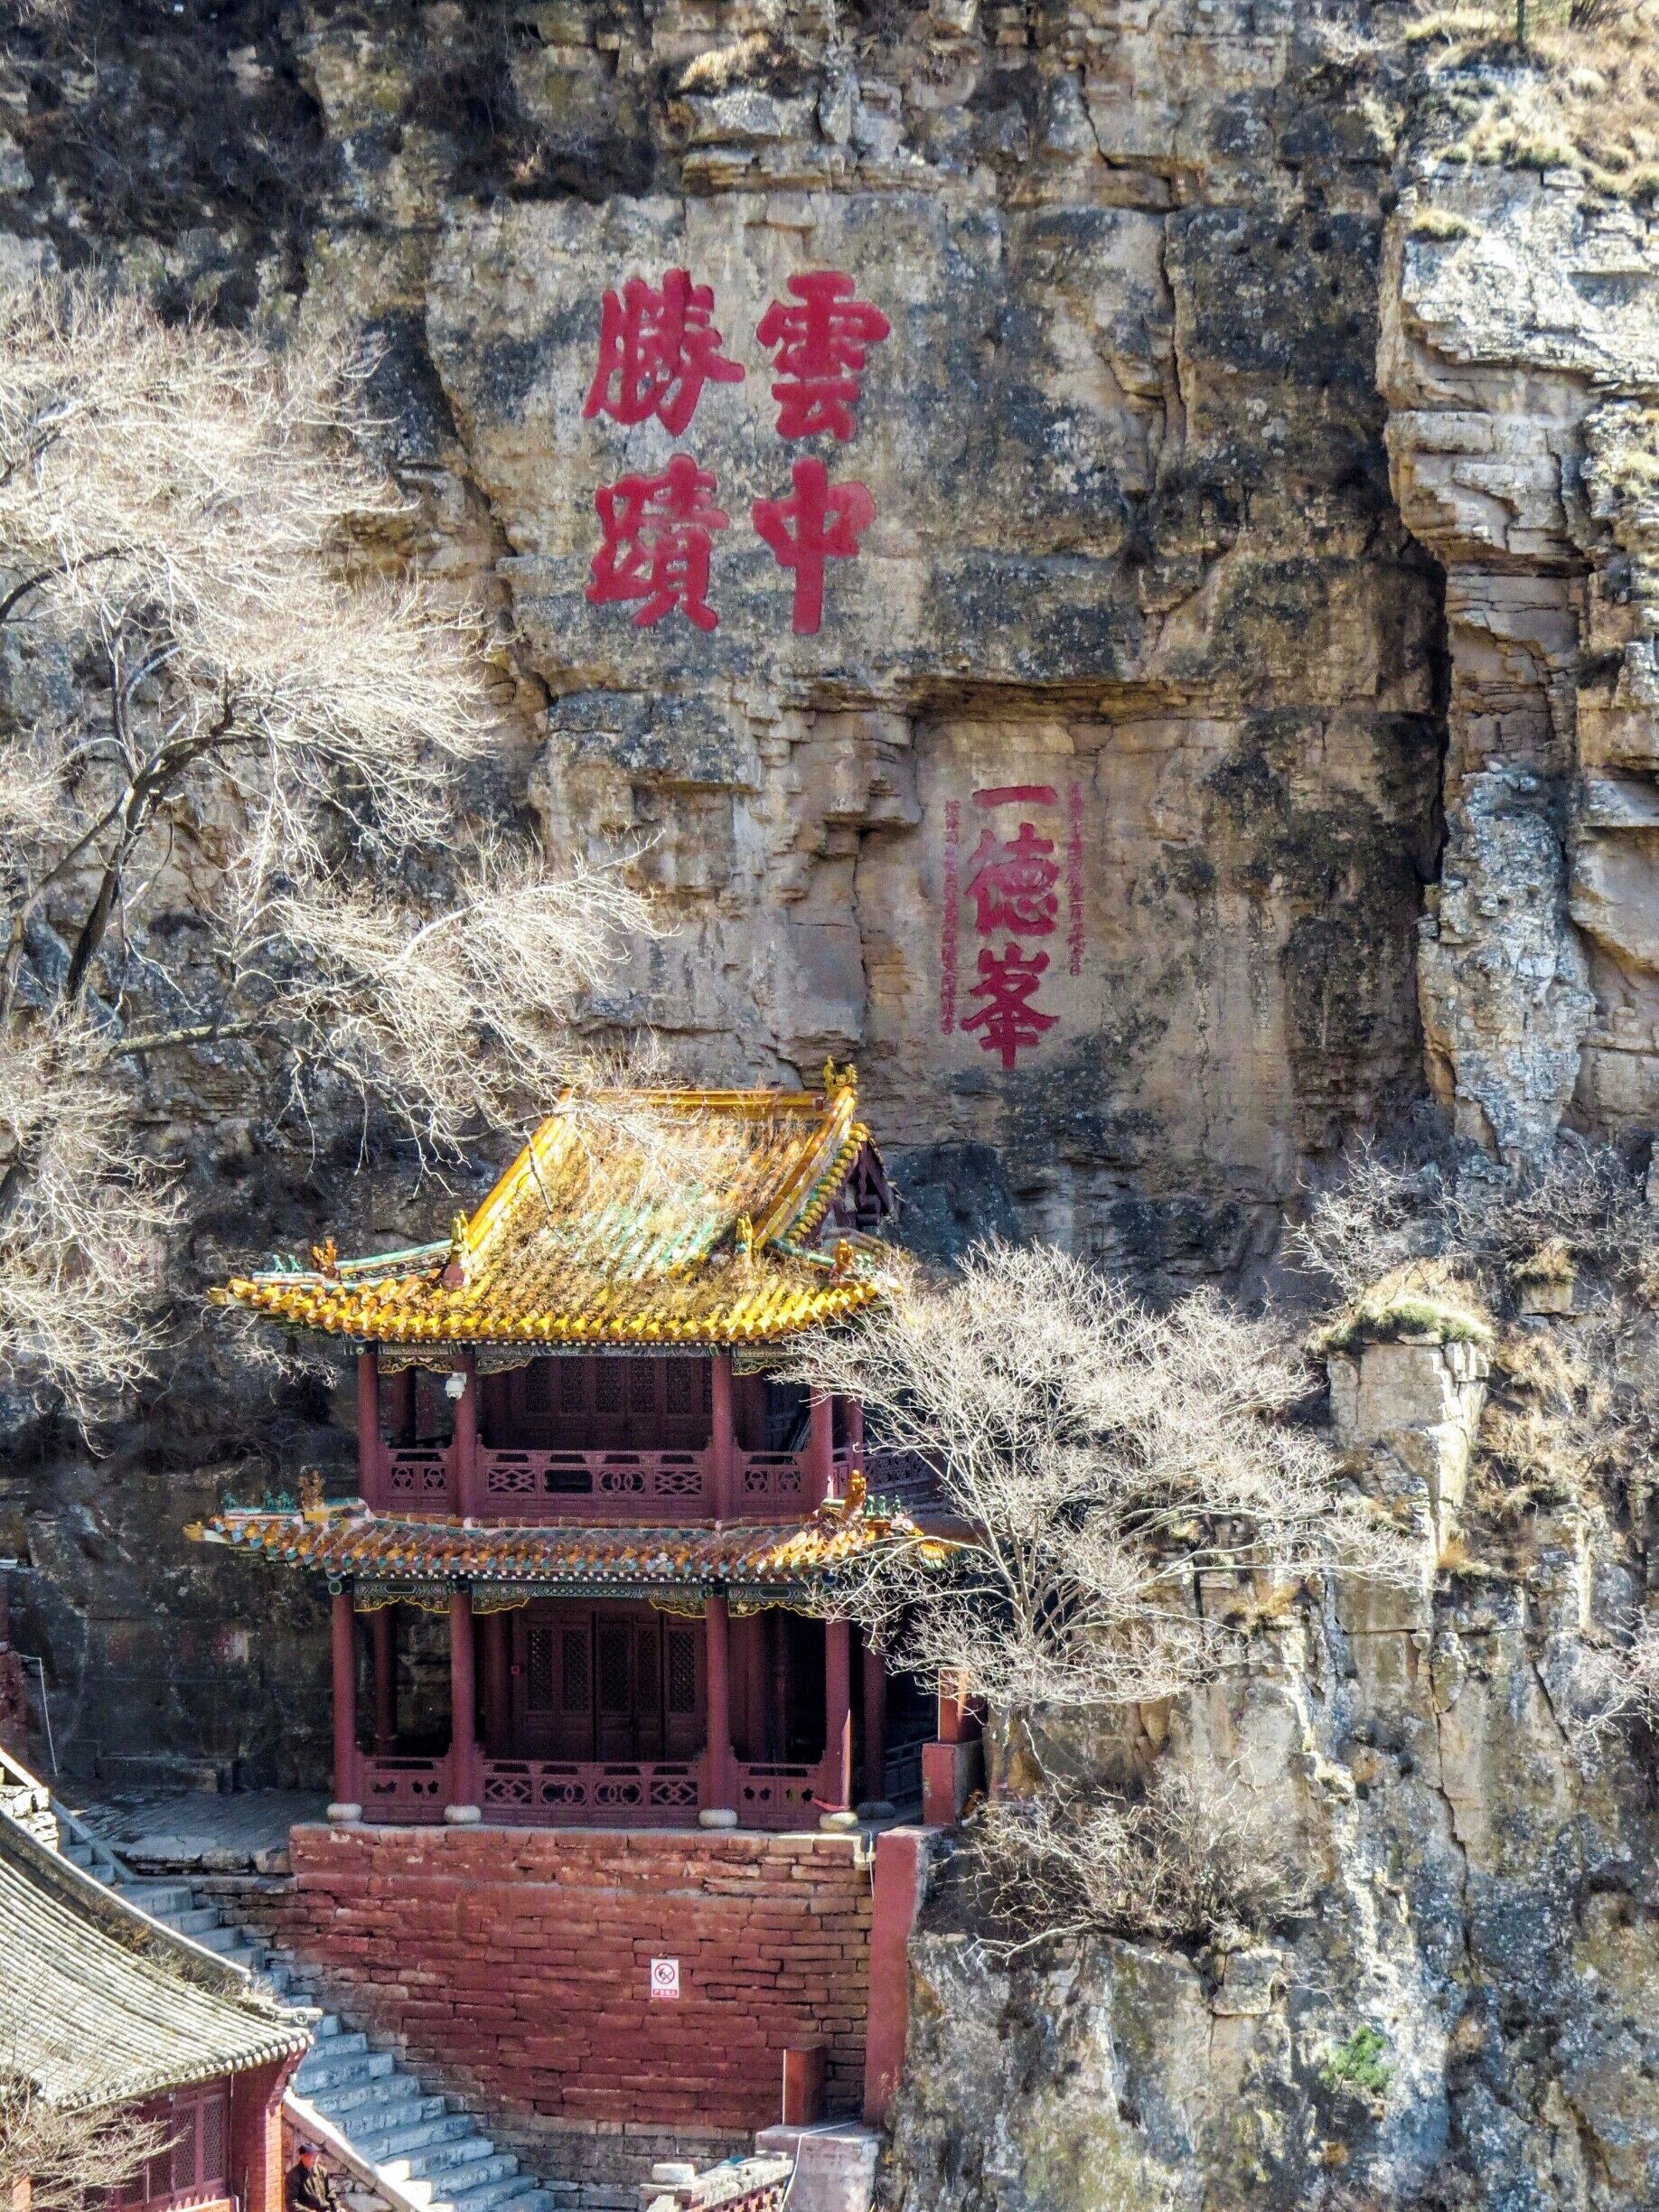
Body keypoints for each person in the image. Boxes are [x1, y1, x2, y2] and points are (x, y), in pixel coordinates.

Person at [286, 2145, 340, 2212]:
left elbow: (331, 2193)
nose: (315, 2159)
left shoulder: (322, 2171)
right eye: (311, 2156)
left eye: (316, 2156)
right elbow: (291, 2202)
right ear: (302, 2156)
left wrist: (338, 2207)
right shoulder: (293, 2176)